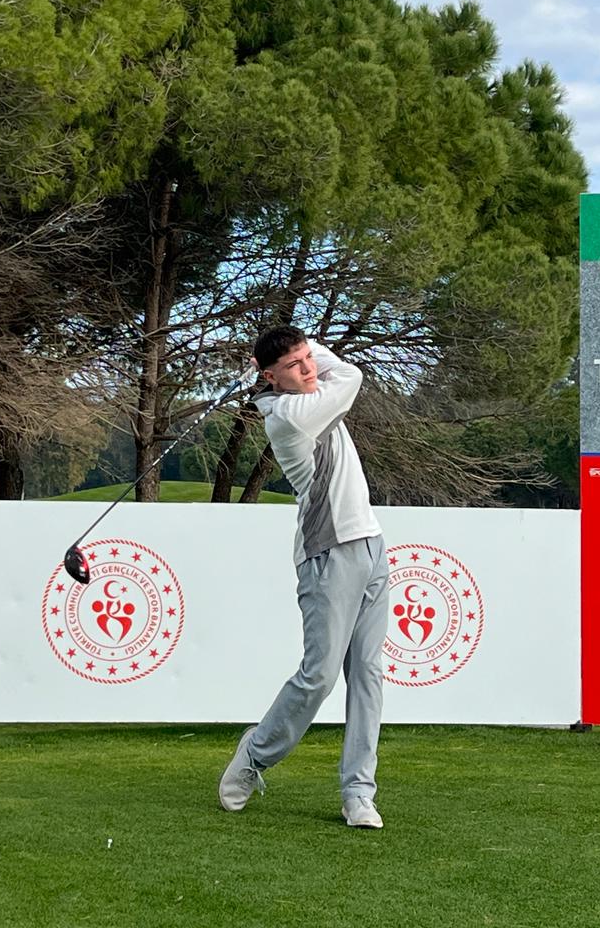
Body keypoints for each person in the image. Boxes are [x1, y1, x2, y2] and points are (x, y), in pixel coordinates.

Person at [218, 325, 388, 829]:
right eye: (294, 365)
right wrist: (304, 350)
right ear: (271, 378)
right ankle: (255, 753)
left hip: (371, 544)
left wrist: (299, 347)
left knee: (368, 674)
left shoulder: (307, 390)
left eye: (308, 357)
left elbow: (325, 369)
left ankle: (358, 792)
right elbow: (351, 375)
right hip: (326, 554)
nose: (309, 368)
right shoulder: (290, 417)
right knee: (319, 676)